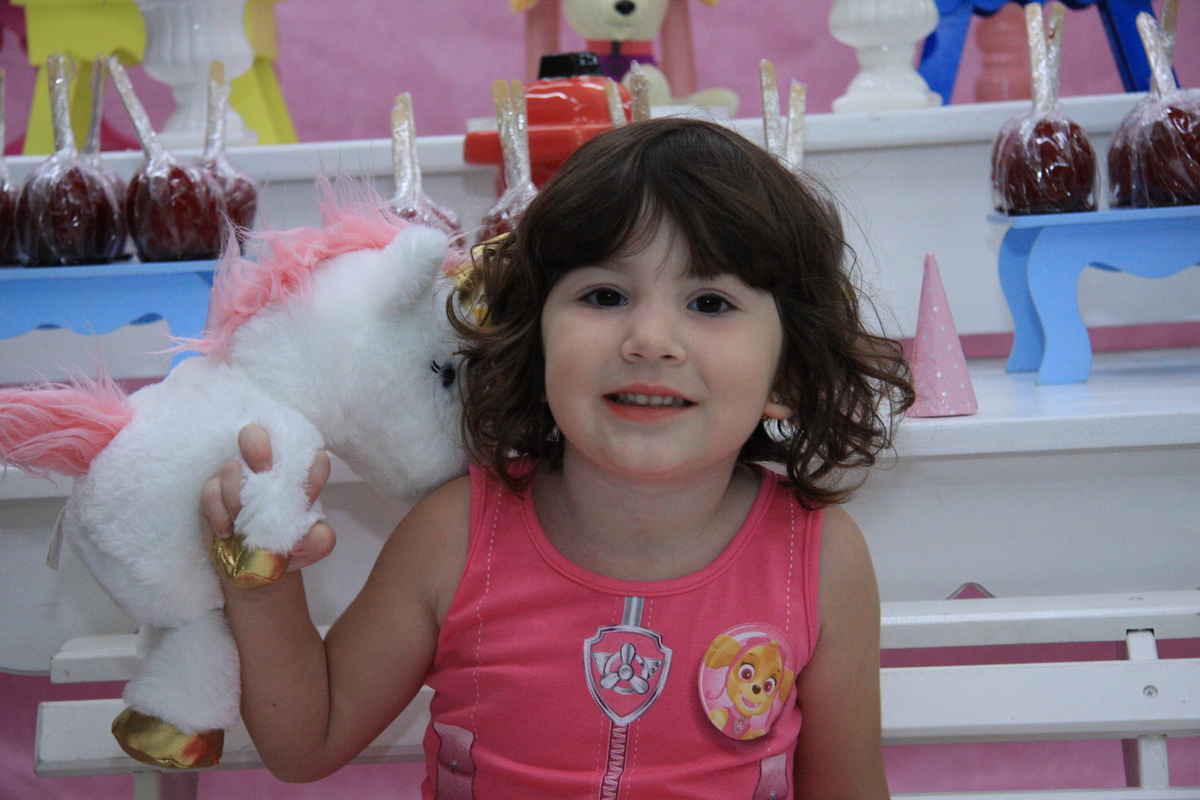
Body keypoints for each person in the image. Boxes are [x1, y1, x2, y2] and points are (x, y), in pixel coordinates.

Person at [201, 117, 914, 799]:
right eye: (605, 295)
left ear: (788, 376)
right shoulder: (454, 534)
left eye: (710, 303)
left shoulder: (821, 560)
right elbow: (308, 742)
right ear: (533, 343)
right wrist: (261, 586)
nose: (650, 339)